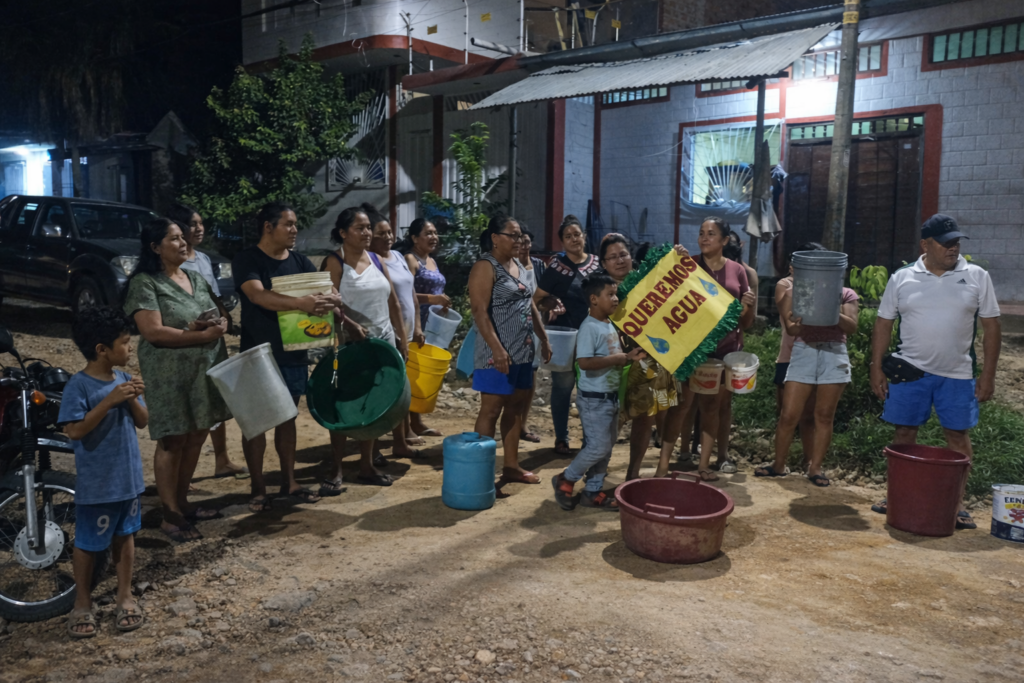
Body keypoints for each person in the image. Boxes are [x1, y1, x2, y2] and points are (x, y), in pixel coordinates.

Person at [869, 214, 1001, 530]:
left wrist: (988, 375)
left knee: (957, 436)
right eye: (945, 243)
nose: (953, 248)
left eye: (956, 242)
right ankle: (897, 496)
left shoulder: (977, 276)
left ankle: (957, 504)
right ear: (925, 245)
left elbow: (992, 327)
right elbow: (883, 324)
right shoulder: (902, 278)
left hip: (958, 374)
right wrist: (876, 368)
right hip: (909, 371)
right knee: (904, 433)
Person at [124, 218, 232, 540]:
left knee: (197, 433)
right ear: (155, 247)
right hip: (168, 374)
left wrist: (217, 325)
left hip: (202, 370)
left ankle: (183, 502)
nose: (183, 243)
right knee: (172, 439)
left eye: (182, 237)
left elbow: (215, 314)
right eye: (174, 239)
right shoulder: (145, 282)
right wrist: (200, 335)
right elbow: (153, 332)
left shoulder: (195, 277)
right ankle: (170, 515)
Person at [233, 203, 339, 511]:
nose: (294, 230)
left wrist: (332, 297)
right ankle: (257, 487)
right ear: (268, 227)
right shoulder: (247, 259)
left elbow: (325, 290)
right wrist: (301, 303)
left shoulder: (300, 261)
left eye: (295, 224)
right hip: (258, 354)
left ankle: (289, 481)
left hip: (293, 352)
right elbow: (257, 295)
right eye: (288, 224)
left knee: (288, 417)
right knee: (256, 422)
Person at [61, 307, 149, 638]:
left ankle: (124, 596)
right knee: (88, 543)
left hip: (128, 479)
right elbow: (74, 431)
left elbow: (142, 421)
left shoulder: (123, 379)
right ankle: (82, 602)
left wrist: (133, 398)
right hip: (98, 483)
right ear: (102, 349)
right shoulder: (79, 385)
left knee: (125, 535)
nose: (129, 348)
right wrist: (110, 401)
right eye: (124, 342)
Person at [756, 242, 859, 486]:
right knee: (788, 414)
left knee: (824, 415)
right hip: (804, 350)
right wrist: (802, 316)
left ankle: (815, 468)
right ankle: (778, 464)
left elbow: (852, 326)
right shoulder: (794, 292)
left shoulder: (846, 293)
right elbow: (792, 329)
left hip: (834, 351)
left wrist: (829, 309)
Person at [323, 206, 410, 487]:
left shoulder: (376, 259)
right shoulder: (335, 262)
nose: (367, 233)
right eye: (359, 228)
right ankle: (336, 468)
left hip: (382, 343)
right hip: (348, 347)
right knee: (343, 403)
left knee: (373, 402)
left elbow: (393, 302)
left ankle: (366, 465)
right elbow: (327, 303)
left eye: (368, 228)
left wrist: (401, 338)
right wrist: (349, 324)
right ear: (343, 233)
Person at [597, 234, 688, 481]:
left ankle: (633, 474)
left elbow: (679, 295)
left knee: (645, 420)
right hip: (614, 366)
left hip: (650, 363)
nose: (619, 261)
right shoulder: (598, 290)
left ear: (631, 256)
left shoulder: (649, 282)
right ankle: (596, 471)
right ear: (603, 263)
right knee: (610, 421)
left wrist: (678, 262)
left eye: (623, 255)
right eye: (612, 257)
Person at [469, 215, 552, 487]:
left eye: (520, 236)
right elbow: (479, 311)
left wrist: (543, 338)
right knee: (491, 410)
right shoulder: (485, 267)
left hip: (523, 351)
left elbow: (530, 304)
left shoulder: (518, 265)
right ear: (495, 238)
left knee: (516, 408)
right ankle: (479, 474)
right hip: (496, 355)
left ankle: (511, 466)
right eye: (513, 235)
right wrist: (497, 348)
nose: (519, 240)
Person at [167, 202, 248, 481]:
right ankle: (179, 476)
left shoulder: (202, 258)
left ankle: (222, 459)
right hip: (188, 339)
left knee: (216, 396)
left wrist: (226, 320)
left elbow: (214, 295)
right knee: (192, 403)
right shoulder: (173, 263)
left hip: (213, 337)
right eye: (193, 224)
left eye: (201, 223)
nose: (199, 228)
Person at [552, 274, 645, 511]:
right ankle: (566, 478)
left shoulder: (607, 324)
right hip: (594, 400)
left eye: (616, 294)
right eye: (610, 294)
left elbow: (613, 358)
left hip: (609, 397)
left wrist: (628, 358)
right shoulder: (589, 327)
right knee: (598, 447)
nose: (615, 299)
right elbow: (584, 362)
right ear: (594, 299)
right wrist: (618, 358)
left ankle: (592, 491)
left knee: (605, 447)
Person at [533, 215, 602, 455]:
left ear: (584, 236)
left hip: (594, 340)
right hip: (565, 339)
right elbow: (537, 300)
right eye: (568, 236)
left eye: (577, 234)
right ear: (562, 242)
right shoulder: (556, 268)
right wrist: (550, 303)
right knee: (563, 388)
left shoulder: (597, 264)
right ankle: (561, 438)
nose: (574, 239)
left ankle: (590, 439)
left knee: (590, 391)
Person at [370, 206, 426, 453]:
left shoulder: (398, 257)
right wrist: (396, 333)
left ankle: (401, 437)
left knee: (402, 387)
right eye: (381, 234)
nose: (388, 237)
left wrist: (417, 328)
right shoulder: (371, 262)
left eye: (390, 232)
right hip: (387, 333)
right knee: (389, 388)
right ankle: (392, 439)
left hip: (406, 331)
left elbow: (411, 294)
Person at [404, 218, 449, 437]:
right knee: (409, 374)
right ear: (414, 238)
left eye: (435, 233)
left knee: (420, 374)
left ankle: (416, 421)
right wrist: (433, 299)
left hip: (432, 325)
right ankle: (404, 427)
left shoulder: (431, 260)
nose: (434, 237)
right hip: (414, 323)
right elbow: (405, 293)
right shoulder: (410, 259)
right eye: (428, 233)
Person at [517, 227, 546, 444]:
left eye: (527, 242)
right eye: (520, 242)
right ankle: (509, 422)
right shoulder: (509, 267)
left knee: (532, 375)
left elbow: (544, 296)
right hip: (514, 328)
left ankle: (523, 424)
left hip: (535, 326)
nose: (524, 246)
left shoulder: (539, 266)